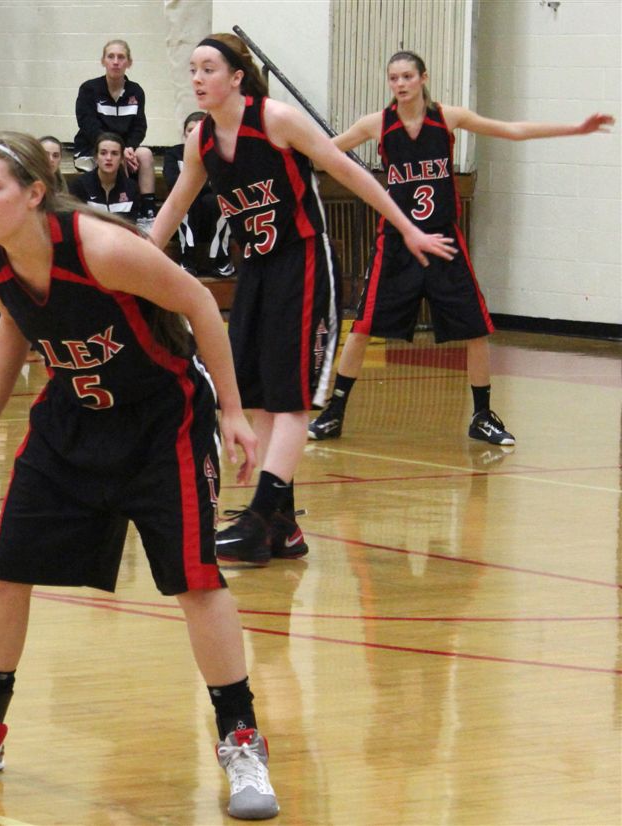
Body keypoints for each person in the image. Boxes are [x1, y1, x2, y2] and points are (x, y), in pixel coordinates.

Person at [0, 130, 278, 821]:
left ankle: (241, 741)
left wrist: (233, 411)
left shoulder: (101, 248)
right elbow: (16, 321)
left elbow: (200, 303)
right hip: (72, 420)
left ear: (35, 193)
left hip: (161, 422)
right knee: (7, 570)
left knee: (196, 581)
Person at [150, 34, 456, 567]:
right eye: (193, 69)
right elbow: (171, 211)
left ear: (237, 77)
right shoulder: (201, 141)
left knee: (290, 397)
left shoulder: (276, 120)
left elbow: (349, 170)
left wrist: (407, 228)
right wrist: (126, 265)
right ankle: (283, 526)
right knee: (258, 397)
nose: (197, 78)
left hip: (304, 260)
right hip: (256, 270)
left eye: (208, 68)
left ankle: (258, 517)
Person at [308, 50, 616, 447]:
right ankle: (334, 412)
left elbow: (511, 130)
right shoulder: (377, 123)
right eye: (393, 78)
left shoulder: (447, 117)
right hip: (397, 242)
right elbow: (322, 151)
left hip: (445, 240)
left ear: (423, 78)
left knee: (476, 328)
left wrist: (575, 128)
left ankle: (482, 416)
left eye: (407, 76)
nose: (400, 84)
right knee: (363, 327)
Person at [73, 39, 157, 229]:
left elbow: (139, 127)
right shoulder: (89, 89)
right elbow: (87, 125)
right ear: (103, 61)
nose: (116, 62)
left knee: (145, 154)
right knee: (113, 159)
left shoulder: (136, 91)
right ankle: (111, 217)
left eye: (121, 57)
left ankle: (148, 214)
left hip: (123, 148)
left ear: (129, 62)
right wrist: (117, 151)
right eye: (111, 57)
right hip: (92, 148)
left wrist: (129, 148)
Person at [163, 111, 233, 277]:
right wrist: (203, 185)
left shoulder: (219, 154)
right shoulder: (174, 153)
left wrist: (191, 185)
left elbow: (223, 185)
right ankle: (187, 258)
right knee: (186, 200)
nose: (194, 134)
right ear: (184, 134)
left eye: (199, 130)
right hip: (186, 213)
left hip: (211, 214)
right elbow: (172, 182)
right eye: (190, 130)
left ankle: (221, 259)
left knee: (222, 200)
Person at [67, 131, 139, 221]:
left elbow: (131, 224)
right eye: (103, 153)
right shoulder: (80, 186)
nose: (109, 158)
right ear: (96, 157)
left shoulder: (131, 188)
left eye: (114, 153)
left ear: (121, 159)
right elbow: (74, 221)